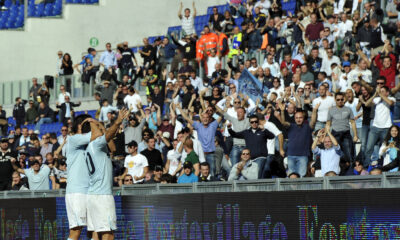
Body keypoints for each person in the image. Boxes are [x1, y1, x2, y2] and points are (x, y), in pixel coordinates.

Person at [85, 108, 128, 240]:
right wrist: (118, 121)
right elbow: (108, 135)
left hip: (92, 195)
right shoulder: (96, 144)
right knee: (108, 235)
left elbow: (113, 148)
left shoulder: (90, 147)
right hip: (102, 196)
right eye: (97, 127)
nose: (100, 128)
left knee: (95, 234)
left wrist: (100, 126)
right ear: (91, 132)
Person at [64, 114, 93, 240]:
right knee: (76, 231)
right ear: (80, 126)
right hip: (77, 191)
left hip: (89, 190)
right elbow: (97, 136)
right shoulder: (73, 139)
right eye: (89, 124)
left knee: (93, 230)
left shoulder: (88, 143)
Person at [325, 92, 358, 162]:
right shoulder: (331, 110)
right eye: (338, 99)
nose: (340, 101)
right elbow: (328, 123)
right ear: (335, 100)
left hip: (346, 133)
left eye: (341, 99)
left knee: (349, 154)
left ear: (344, 99)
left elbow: (353, 122)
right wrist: (326, 135)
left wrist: (355, 135)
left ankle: (350, 170)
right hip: (335, 134)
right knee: (335, 155)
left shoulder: (348, 109)